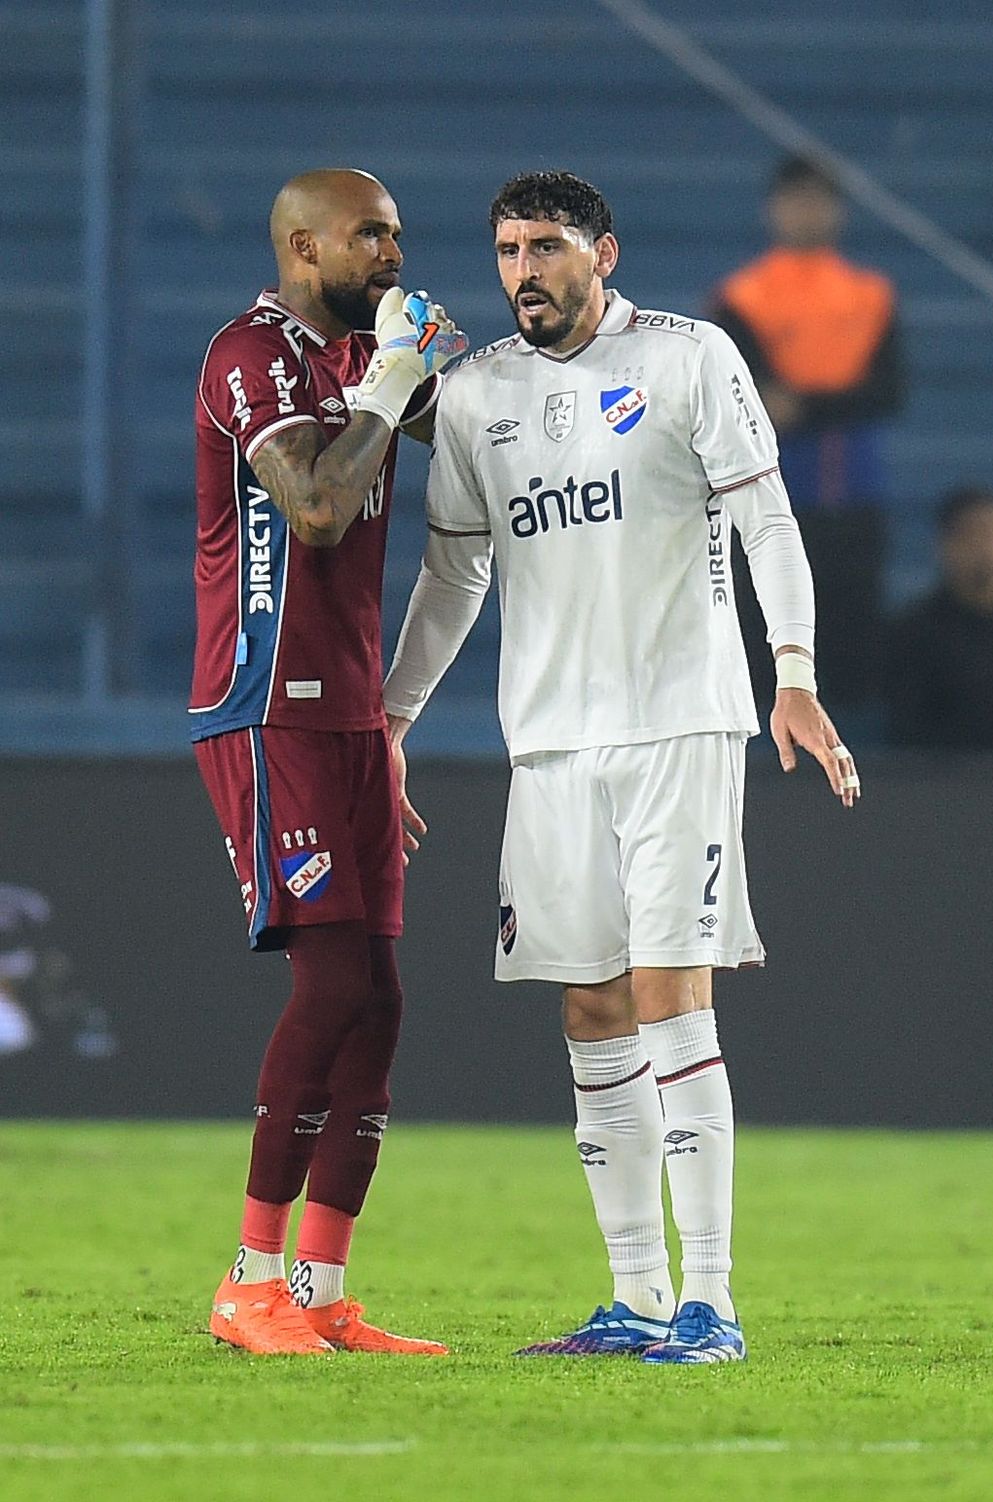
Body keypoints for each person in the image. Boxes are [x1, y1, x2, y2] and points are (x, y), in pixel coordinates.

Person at [383, 171, 859, 1365]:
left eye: (545, 245)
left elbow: (767, 521)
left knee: (667, 993)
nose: (523, 269)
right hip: (548, 742)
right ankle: (637, 1297)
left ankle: (712, 1302)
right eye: (505, 249)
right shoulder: (481, 391)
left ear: (602, 252)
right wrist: (388, 722)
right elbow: (454, 577)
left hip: (677, 724)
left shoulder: (691, 358)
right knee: (590, 1002)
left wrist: (790, 668)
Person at [191, 168, 465, 1356]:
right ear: (305, 246)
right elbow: (312, 506)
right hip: (266, 707)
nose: (395, 254)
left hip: (350, 717)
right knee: (334, 987)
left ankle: (317, 1287)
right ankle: (245, 1280)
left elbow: (457, 451)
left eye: (399, 233)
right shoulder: (248, 355)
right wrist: (397, 379)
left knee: (381, 999)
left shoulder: (365, 361)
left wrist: (425, 380)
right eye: (372, 235)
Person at [712, 155, 905, 708]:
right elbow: (746, 395)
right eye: (795, 200)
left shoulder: (871, 296)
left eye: (818, 200)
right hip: (769, 500)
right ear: (775, 209)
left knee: (850, 649)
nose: (806, 213)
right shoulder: (742, 297)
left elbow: (888, 392)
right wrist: (822, 401)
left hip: (855, 503)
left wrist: (803, 405)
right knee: (761, 641)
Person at [887, 486, 993, 749]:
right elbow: (908, 728)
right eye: (972, 535)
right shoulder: (914, 632)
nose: (985, 547)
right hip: (946, 780)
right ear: (945, 544)